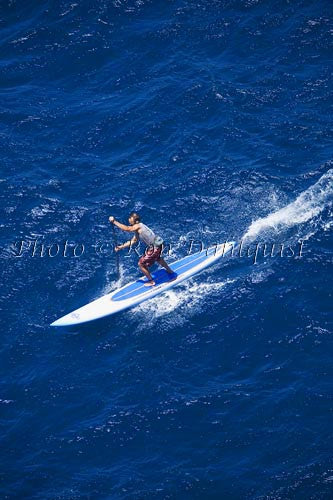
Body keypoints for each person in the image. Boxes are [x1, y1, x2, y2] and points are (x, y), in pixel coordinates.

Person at [109, 212, 176, 287]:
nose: (128, 220)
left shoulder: (138, 226)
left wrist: (114, 221)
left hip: (155, 246)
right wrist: (120, 247)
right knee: (158, 258)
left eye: (130, 218)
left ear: (133, 219)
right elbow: (133, 241)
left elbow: (127, 229)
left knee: (141, 264)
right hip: (159, 242)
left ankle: (151, 282)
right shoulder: (139, 228)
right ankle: (169, 271)